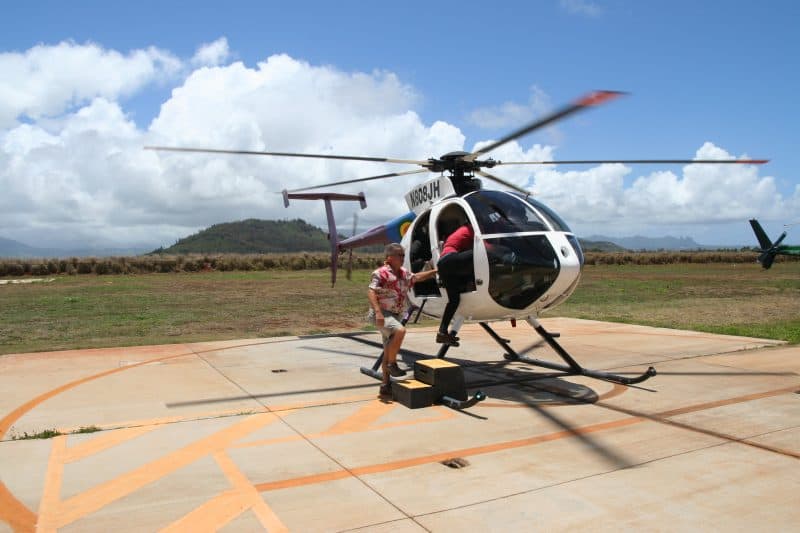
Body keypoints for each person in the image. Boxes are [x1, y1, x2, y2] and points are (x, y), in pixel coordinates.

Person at [368, 243, 438, 396]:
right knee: (400, 330)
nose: (402, 258)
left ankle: (385, 384)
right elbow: (371, 292)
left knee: (388, 349)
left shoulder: (403, 273)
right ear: (389, 257)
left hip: (396, 314)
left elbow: (415, 277)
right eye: (399, 255)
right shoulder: (380, 273)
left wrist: (434, 271)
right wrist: (379, 313)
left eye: (403, 255)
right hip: (382, 314)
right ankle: (393, 364)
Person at [435, 222, 475, 347]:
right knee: (484, 253)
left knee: (454, 300)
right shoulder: (472, 228)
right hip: (450, 259)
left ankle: (442, 332)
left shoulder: (461, 230)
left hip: (443, 264)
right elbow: (484, 245)